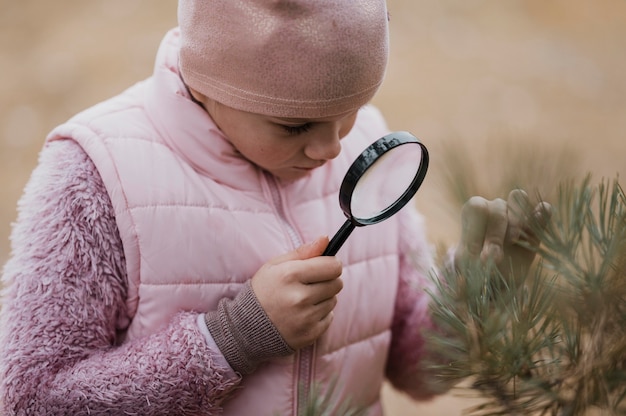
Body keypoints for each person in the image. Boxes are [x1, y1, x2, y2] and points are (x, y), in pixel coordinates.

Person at [0, 0, 550, 415]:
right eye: (295, 126)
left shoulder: (369, 151)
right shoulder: (97, 173)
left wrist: (477, 293)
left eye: (350, 110)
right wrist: (235, 338)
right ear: (207, 79)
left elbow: (415, 373)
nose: (332, 148)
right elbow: (28, 397)